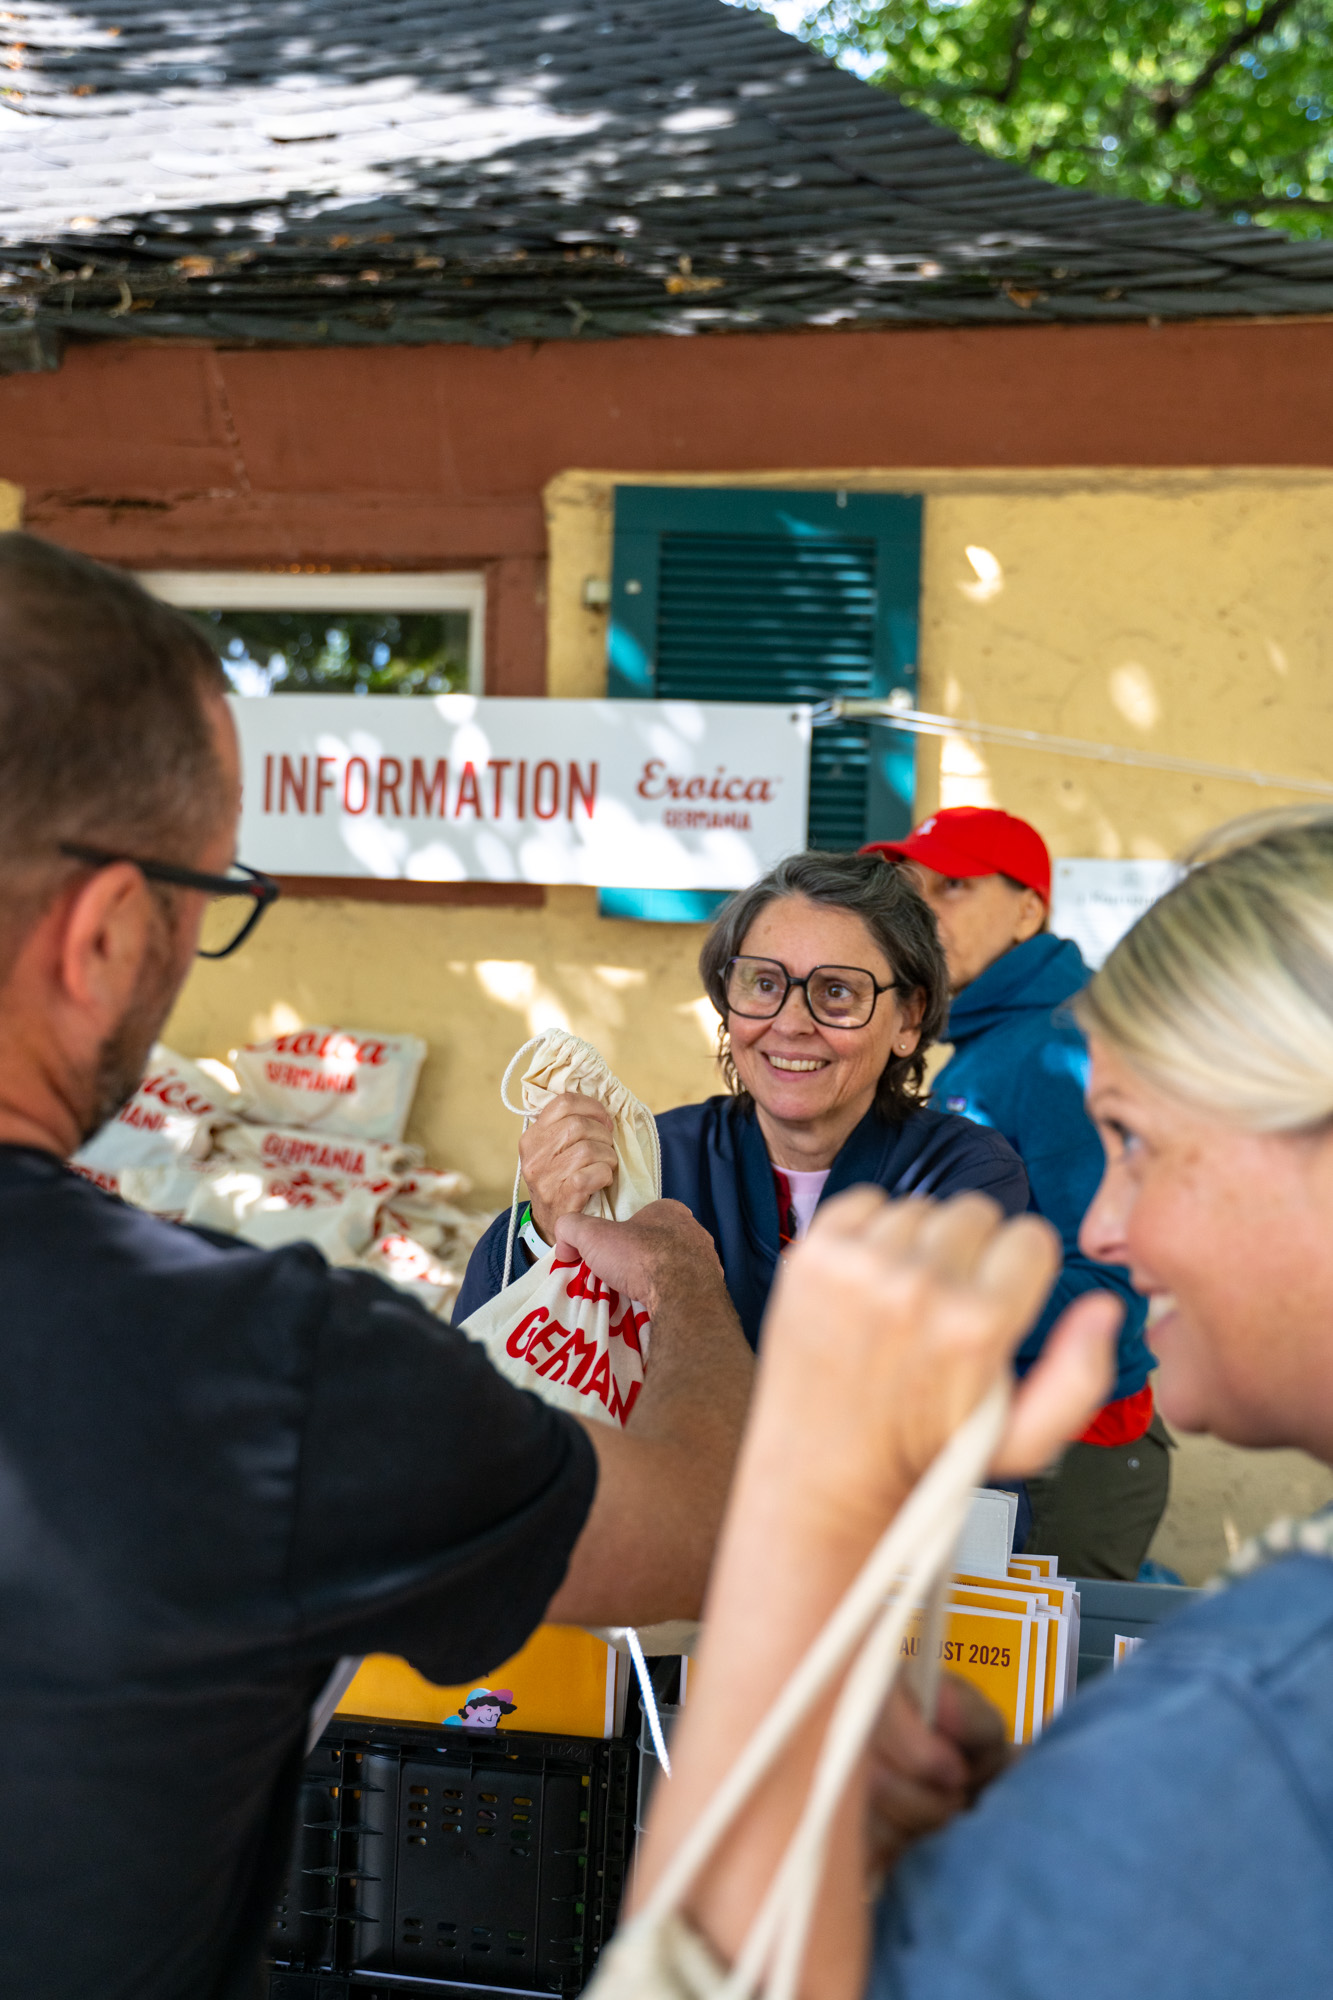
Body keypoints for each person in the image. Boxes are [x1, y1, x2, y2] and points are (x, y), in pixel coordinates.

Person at [0, 532, 755, 2000]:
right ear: (104, 934)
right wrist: (679, 1277)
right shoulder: (257, 1370)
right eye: (205, 902)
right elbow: (711, 1525)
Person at [625, 805, 1333, 2000]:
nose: (1104, 1224)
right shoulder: (1248, 1698)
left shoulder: (1255, 1703)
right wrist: (1037, 1824)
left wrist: (800, 1526)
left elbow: (706, 1977)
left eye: (1138, 1140)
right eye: (762, 983)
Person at [457, 850, 1030, 1348]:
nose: (791, 1022)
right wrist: (547, 1227)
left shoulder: (963, 1176)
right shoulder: (653, 1161)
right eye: (764, 984)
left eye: (837, 991)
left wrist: (677, 1282)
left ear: (908, 1018)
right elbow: (491, 1352)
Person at [863, 806, 1166, 1579]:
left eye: (954, 886)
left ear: (1029, 911)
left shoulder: (1057, 1047)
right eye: (911, 888)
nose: (922, 909)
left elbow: (1110, 1287)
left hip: (1068, 1455)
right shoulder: (994, 1038)